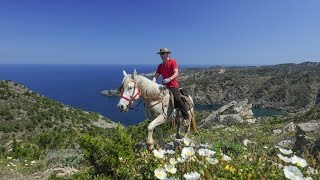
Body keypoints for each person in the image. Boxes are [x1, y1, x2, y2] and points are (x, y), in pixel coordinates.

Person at [152, 48, 190, 126]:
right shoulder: (160, 66)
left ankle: (186, 117)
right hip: (164, 86)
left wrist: (169, 79)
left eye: (163, 54)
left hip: (173, 85)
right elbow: (156, 76)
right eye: (160, 54)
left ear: (167, 54)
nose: (161, 55)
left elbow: (176, 73)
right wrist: (152, 82)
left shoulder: (173, 62)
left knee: (178, 99)